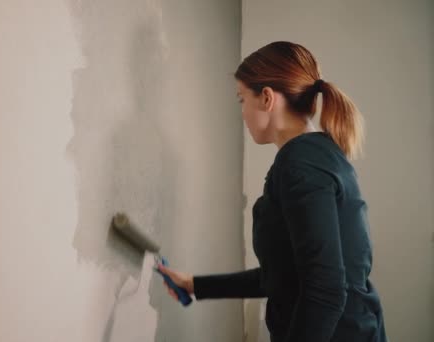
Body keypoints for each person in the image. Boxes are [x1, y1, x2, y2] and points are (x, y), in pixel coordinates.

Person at [157, 41, 387, 342]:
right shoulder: (318, 155)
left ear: (266, 98)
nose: (241, 113)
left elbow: (326, 289)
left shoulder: (300, 164)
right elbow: (284, 275)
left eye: (241, 99)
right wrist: (196, 285)